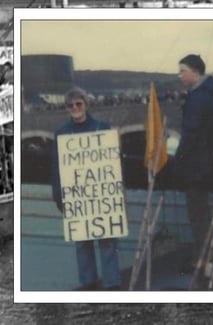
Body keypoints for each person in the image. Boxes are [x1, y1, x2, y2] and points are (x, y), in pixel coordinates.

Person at [50, 87, 121, 290]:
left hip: (102, 195)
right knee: (82, 242)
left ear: (86, 105)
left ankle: (112, 284)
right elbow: (56, 167)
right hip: (76, 196)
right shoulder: (61, 133)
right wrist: (58, 195)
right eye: (70, 105)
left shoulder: (102, 127)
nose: (75, 108)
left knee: (107, 240)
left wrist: (116, 191)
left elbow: (113, 164)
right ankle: (88, 283)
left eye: (78, 104)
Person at [174, 54, 213, 264]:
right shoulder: (209, 93)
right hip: (209, 162)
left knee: (197, 211)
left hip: (197, 164)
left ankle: (201, 257)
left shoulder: (198, 98)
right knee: (203, 210)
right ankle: (207, 253)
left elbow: (191, 133)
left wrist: (178, 159)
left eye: (182, 71)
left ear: (195, 71)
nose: (179, 75)